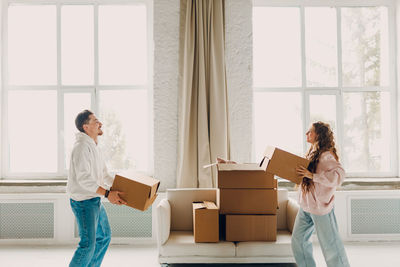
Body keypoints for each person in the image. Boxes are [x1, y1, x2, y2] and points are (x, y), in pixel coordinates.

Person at [67, 109, 127, 267]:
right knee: (88, 245)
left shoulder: (94, 147)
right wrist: (108, 194)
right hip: (84, 202)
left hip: (94, 199)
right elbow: (84, 179)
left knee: (104, 237)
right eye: (95, 121)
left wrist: (126, 188)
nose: (100, 123)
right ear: (85, 127)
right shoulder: (81, 147)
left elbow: (104, 176)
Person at [293, 121, 350, 267]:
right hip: (306, 206)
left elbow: (339, 175)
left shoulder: (326, 156)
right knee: (298, 242)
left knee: (331, 247)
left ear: (318, 135)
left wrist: (313, 176)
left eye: (310, 131)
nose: (307, 134)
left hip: (320, 208)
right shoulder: (313, 152)